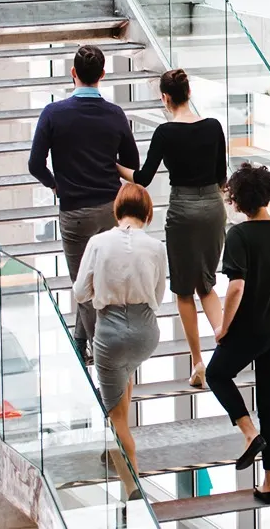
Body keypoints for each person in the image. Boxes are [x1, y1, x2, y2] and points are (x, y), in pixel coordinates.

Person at [29, 45, 140, 363]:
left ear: (73, 73)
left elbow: (36, 164)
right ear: (102, 76)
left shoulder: (53, 114)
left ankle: (98, 349)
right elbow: (131, 162)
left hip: (74, 211)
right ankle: (81, 342)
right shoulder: (115, 114)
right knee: (102, 278)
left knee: (83, 283)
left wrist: (55, 184)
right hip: (109, 209)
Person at [206, 162, 270, 505]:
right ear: (268, 194)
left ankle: (250, 435)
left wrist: (223, 328)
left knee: (216, 374)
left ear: (238, 200)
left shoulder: (239, 235)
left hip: (250, 328)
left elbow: (236, 288)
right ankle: (269, 485)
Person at [117, 69, 227, 387]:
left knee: (183, 290)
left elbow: (143, 178)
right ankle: (224, 345)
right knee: (207, 285)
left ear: (165, 98)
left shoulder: (165, 133)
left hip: (183, 211)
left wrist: (113, 166)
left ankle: (197, 363)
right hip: (213, 209)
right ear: (189, 92)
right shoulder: (214, 127)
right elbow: (221, 176)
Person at [73, 183, 167, 479]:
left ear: (117, 210)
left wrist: (103, 290)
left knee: (117, 418)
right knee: (125, 376)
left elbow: (79, 293)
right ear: (147, 213)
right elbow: (159, 296)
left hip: (110, 332)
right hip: (146, 333)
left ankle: (132, 484)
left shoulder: (98, 243)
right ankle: (116, 450)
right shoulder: (156, 247)